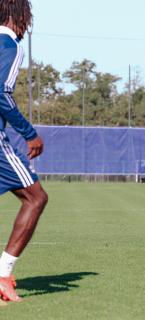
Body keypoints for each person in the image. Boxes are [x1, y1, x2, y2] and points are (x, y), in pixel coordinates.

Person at [0, 0, 48, 302]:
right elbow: (1, 92)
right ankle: (3, 275)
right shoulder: (10, 45)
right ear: (19, 16)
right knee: (35, 197)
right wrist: (30, 134)